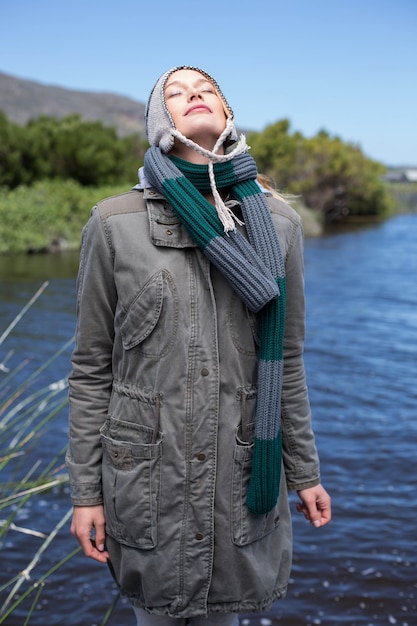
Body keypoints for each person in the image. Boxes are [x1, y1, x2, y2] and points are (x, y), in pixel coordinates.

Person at [67, 66, 331, 626]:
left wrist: (304, 472)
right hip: (146, 481)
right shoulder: (114, 224)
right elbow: (92, 369)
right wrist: (85, 492)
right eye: (176, 92)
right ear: (159, 121)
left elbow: (285, 364)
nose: (194, 96)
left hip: (240, 475)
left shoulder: (279, 226)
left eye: (207, 89)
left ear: (227, 113)